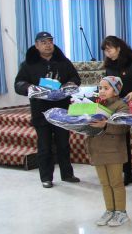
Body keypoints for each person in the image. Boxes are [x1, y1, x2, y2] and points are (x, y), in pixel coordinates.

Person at [13, 31, 81, 188]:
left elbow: (75, 78)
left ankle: (67, 174)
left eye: (50, 41)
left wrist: (68, 85)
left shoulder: (63, 62)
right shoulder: (28, 64)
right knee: (44, 147)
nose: (48, 45)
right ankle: (46, 178)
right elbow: (18, 84)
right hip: (40, 111)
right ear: (37, 45)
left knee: (63, 144)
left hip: (61, 109)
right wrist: (31, 88)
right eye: (43, 42)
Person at [102, 35, 132, 186]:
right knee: (118, 138)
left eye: (110, 49)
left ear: (119, 48)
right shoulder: (109, 65)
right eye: (105, 51)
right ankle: (123, 171)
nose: (108, 53)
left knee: (127, 137)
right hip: (114, 104)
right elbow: (107, 84)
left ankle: (129, 172)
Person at [88, 76, 131, 227]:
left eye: (106, 88)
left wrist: (106, 125)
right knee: (104, 183)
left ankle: (121, 212)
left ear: (116, 90)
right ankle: (110, 210)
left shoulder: (122, 106)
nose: (102, 91)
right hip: (97, 149)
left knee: (116, 182)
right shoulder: (96, 105)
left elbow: (124, 127)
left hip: (114, 151)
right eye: (100, 88)